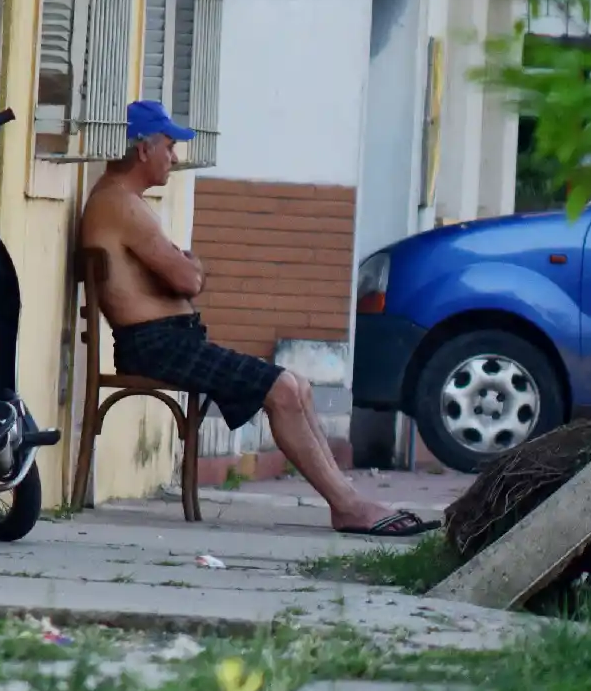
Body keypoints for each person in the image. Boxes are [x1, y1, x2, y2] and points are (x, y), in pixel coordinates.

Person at [80, 100, 439, 537]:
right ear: (143, 150)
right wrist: (190, 266)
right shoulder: (121, 205)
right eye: (169, 147)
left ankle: (349, 498)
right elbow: (189, 279)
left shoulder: (124, 203)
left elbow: (179, 275)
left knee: (298, 386)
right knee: (283, 390)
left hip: (170, 341)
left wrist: (185, 268)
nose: (174, 158)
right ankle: (346, 507)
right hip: (156, 346)